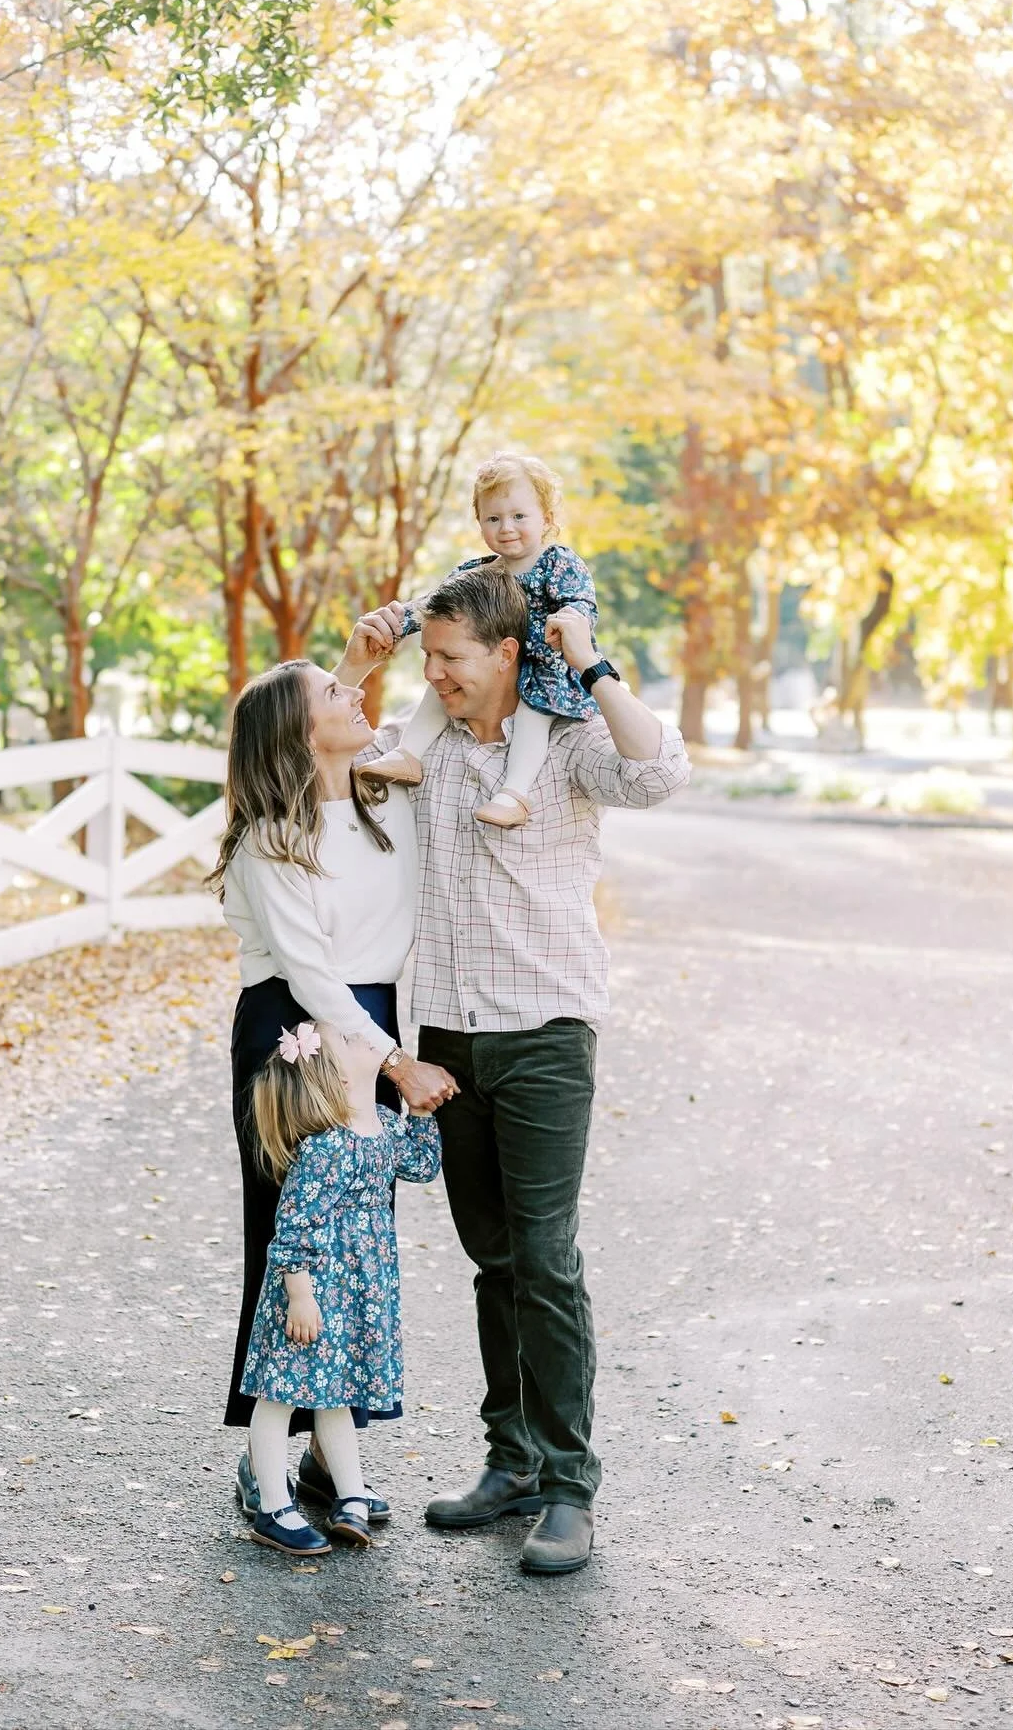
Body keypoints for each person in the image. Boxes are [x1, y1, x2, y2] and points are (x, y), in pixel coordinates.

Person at [339, 564, 690, 1576]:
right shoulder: (431, 751)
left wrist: (586, 655)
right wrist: (362, 661)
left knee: (544, 1257)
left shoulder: (570, 746)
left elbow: (662, 770)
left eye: (449, 659)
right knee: (493, 1259)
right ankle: (513, 1457)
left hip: (544, 1031)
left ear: (505, 653)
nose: (436, 675)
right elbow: (316, 745)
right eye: (427, 658)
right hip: (446, 1035)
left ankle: (569, 1487)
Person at [208, 659, 457, 1525]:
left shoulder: (385, 798)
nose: (358, 694)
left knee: (356, 1243)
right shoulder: (270, 836)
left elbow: (432, 704)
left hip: (372, 1022)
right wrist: (394, 1063)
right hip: (299, 1029)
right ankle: (262, 1464)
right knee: (293, 1242)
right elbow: (311, 970)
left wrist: (417, 627)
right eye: (335, 692)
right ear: (300, 730)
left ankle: (328, 1454)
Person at [240, 1018, 442, 1556]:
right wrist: (300, 1295)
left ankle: (350, 1495)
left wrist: (419, 1115)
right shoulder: (325, 1148)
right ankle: (273, 1505)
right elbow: (292, 1228)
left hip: (359, 1289)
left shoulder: (380, 1122)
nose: (368, 1041)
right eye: (352, 1040)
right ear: (331, 1075)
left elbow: (421, 1167)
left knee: (338, 1394)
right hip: (313, 1292)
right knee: (279, 1395)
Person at [361, 453, 599, 829]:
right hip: (485, 669)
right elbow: (433, 606)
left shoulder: (558, 564)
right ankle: (408, 754)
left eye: (519, 516)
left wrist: (570, 622)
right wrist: (401, 622)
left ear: (547, 519)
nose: (506, 527)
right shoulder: (476, 572)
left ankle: (514, 794)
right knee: (440, 687)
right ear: (480, 523)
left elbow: (579, 602)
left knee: (532, 716)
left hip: (543, 666)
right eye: (493, 518)